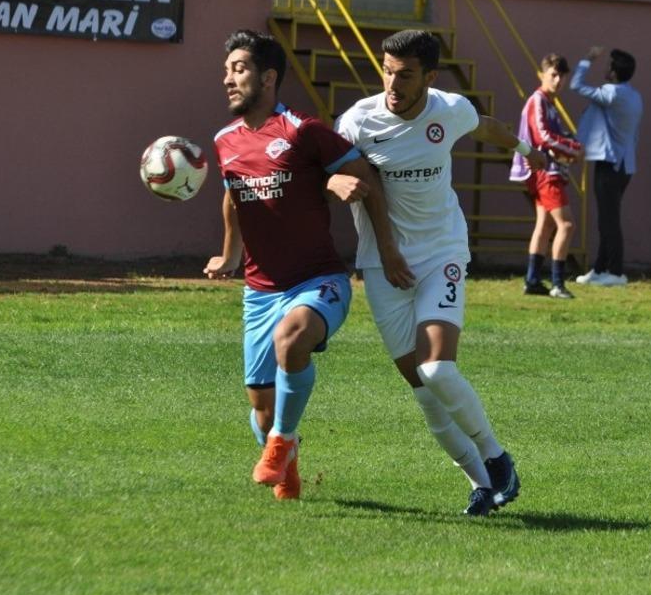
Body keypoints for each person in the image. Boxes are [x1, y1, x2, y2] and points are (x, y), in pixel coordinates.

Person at [336, 29, 547, 516]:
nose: (393, 83)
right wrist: (336, 183)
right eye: (387, 71)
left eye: (405, 75)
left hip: (441, 252)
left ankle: (497, 458)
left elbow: (485, 126)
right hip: (380, 263)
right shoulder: (357, 122)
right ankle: (483, 486)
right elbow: (332, 171)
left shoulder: (449, 110)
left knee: (437, 369)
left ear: (430, 77)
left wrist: (524, 148)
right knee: (424, 393)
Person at [204, 29, 409, 501]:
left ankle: (281, 443)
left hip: (319, 281)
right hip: (260, 290)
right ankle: (285, 448)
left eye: (239, 69)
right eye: (226, 71)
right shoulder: (225, 141)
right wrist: (230, 254)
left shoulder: (303, 130)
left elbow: (368, 182)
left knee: (291, 338)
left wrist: (387, 250)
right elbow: (234, 198)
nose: (228, 80)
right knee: (261, 412)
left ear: (268, 76)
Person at [510, 53, 584, 298]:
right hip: (545, 171)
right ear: (542, 74)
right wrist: (572, 149)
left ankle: (532, 280)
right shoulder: (538, 100)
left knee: (544, 225)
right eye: (553, 74)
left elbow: (559, 135)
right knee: (567, 225)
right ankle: (557, 283)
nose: (558, 80)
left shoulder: (551, 104)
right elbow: (543, 137)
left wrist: (571, 146)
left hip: (550, 170)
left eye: (562, 76)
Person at [570, 46, 644, 288]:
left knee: (609, 220)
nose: (605, 69)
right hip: (624, 165)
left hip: (611, 163)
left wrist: (586, 60)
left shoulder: (612, 93)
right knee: (606, 218)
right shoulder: (633, 94)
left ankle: (615, 271)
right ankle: (600, 268)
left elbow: (576, 85)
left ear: (613, 72)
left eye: (608, 66)